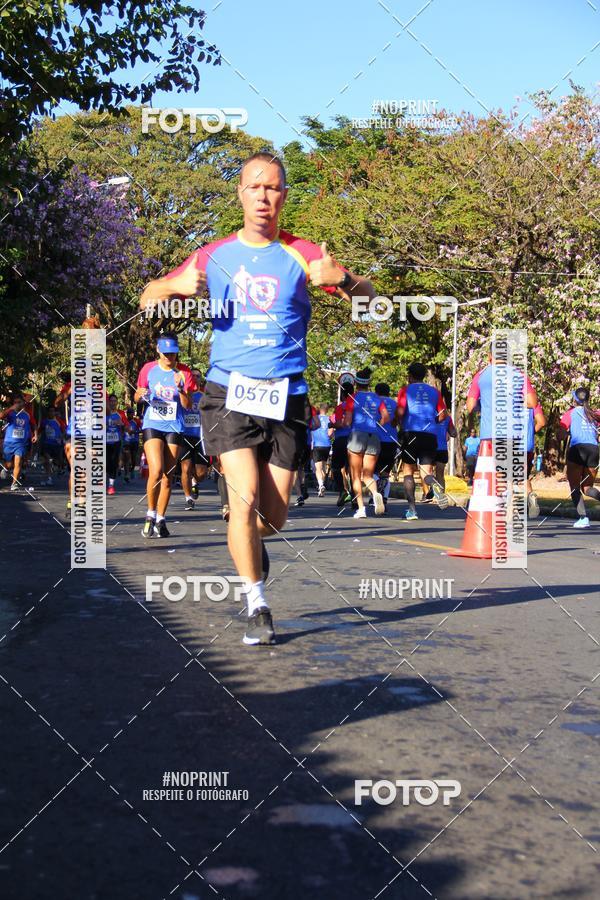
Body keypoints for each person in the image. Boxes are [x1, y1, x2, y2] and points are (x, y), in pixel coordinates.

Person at [139, 152, 375, 644]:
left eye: (273, 188)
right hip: (228, 392)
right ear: (240, 194)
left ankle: (246, 536)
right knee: (245, 500)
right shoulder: (213, 254)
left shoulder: (304, 253)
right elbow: (148, 297)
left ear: (284, 196)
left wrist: (345, 282)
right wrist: (172, 285)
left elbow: (371, 298)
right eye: (254, 187)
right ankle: (256, 604)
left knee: (273, 517)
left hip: (287, 397)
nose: (263, 196)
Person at [134, 335, 196, 538]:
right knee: (156, 469)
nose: (170, 356)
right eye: (166, 353)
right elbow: (137, 394)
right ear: (158, 352)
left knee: (168, 476)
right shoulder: (148, 369)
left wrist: (181, 389)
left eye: (173, 353)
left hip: (175, 426)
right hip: (153, 423)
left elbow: (187, 406)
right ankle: (150, 513)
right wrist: (140, 395)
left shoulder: (185, 372)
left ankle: (161, 518)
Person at [396, 363, 448, 520]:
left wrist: (397, 425)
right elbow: (444, 414)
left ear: (410, 376)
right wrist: (433, 422)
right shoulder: (434, 392)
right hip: (429, 435)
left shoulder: (405, 390)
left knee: (408, 471)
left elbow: (400, 412)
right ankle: (437, 489)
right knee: (426, 472)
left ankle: (412, 510)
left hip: (410, 433)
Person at [343, 368, 387, 519]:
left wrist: (344, 423)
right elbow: (385, 416)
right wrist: (377, 424)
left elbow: (348, 421)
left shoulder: (352, 398)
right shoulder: (377, 398)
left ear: (355, 383)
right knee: (368, 475)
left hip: (357, 436)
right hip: (373, 436)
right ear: (369, 383)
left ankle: (361, 509)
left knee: (355, 476)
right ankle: (375, 494)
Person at [558, 387, 600, 529]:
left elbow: (561, 436)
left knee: (575, 486)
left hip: (577, 449)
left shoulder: (569, 413)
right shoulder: (595, 414)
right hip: (593, 450)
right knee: (587, 487)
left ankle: (583, 518)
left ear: (575, 399)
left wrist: (568, 432)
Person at [181, 369, 209, 510]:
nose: (195, 378)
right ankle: (188, 498)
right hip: (185, 435)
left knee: (201, 474)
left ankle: (194, 481)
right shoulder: (182, 395)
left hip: (200, 437)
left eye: (198, 376)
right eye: (192, 376)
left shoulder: (204, 397)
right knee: (185, 468)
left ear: (200, 379)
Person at [0, 393, 37, 491]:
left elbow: (34, 425)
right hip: (9, 442)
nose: (17, 404)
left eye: (19, 402)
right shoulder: (10, 413)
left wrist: (35, 435)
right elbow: (1, 415)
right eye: (15, 402)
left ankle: (14, 483)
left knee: (18, 462)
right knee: (9, 464)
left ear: (23, 403)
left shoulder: (27, 414)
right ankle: (6, 468)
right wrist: (11, 408)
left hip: (21, 443)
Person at [330, 377, 355, 507]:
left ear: (343, 394)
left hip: (341, 440)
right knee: (352, 468)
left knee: (335, 467)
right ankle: (355, 496)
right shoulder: (357, 406)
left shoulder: (340, 408)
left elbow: (340, 424)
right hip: (355, 439)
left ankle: (342, 491)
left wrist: (331, 424)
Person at [374, 383, 399, 511]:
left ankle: (377, 493)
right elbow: (397, 421)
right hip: (392, 440)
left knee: (372, 471)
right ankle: (384, 498)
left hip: (376, 440)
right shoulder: (395, 404)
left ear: (376, 392)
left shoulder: (375, 401)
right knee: (386, 472)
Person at [424, 414, 457, 501]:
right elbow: (453, 433)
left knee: (427, 472)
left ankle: (433, 485)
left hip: (429, 448)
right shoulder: (447, 417)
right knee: (440, 475)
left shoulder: (428, 413)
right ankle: (441, 497)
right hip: (442, 449)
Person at [526, 403, 546, 518]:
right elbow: (542, 422)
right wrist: (530, 432)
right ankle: (531, 496)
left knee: (509, 479)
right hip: (528, 446)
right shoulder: (534, 404)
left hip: (512, 444)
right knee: (523, 477)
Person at [37, 406, 64, 485]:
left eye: (53, 411)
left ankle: (58, 467)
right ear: (48, 412)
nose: (51, 413)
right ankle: (49, 478)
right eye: (50, 411)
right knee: (47, 459)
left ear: (55, 412)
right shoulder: (44, 422)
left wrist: (62, 438)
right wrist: (37, 437)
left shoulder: (59, 421)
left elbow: (64, 431)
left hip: (56, 444)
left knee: (58, 461)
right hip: (46, 444)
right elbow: (40, 430)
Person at [106, 394, 126, 495]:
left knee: (114, 462)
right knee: (106, 462)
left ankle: (111, 485)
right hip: (105, 442)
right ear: (108, 402)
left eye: (115, 401)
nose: (113, 403)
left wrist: (121, 425)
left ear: (117, 402)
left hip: (116, 441)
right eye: (111, 401)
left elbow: (126, 428)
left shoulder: (121, 414)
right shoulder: (104, 413)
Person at [312, 403, 332, 497]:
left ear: (320, 409)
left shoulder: (314, 418)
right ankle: (321, 488)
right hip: (327, 445)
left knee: (318, 468)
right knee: (324, 467)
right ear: (327, 410)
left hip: (317, 444)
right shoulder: (329, 419)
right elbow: (330, 433)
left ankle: (320, 485)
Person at [122, 407, 142, 481]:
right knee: (126, 458)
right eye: (128, 413)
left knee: (133, 459)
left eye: (131, 413)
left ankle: (132, 469)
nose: (129, 415)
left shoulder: (136, 421)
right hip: (126, 441)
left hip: (134, 442)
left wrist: (134, 431)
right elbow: (121, 429)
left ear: (133, 414)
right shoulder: (124, 421)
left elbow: (142, 429)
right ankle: (126, 474)